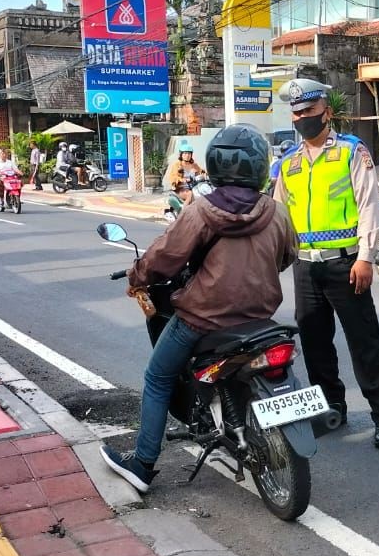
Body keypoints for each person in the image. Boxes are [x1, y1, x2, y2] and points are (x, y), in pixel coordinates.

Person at [100, 124, 297, 492]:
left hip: (202, 319)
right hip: (259, 319)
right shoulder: (277, 211)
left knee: (157, 378)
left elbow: (165, 257)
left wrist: (137, 275)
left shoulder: (202, 210)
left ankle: (142, 464)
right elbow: (287, 256)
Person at [272, 79, 379, 448]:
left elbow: (369, 207)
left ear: (326, 112)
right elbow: (280, 215)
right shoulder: (289, 162)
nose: (302, 119)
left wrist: (365, 257)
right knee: (315, 345)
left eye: (309, 112)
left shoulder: (351, 152)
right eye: (296, 114)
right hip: (306, 268)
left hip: (346, 266)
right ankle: (332, 408)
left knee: (364, 345)